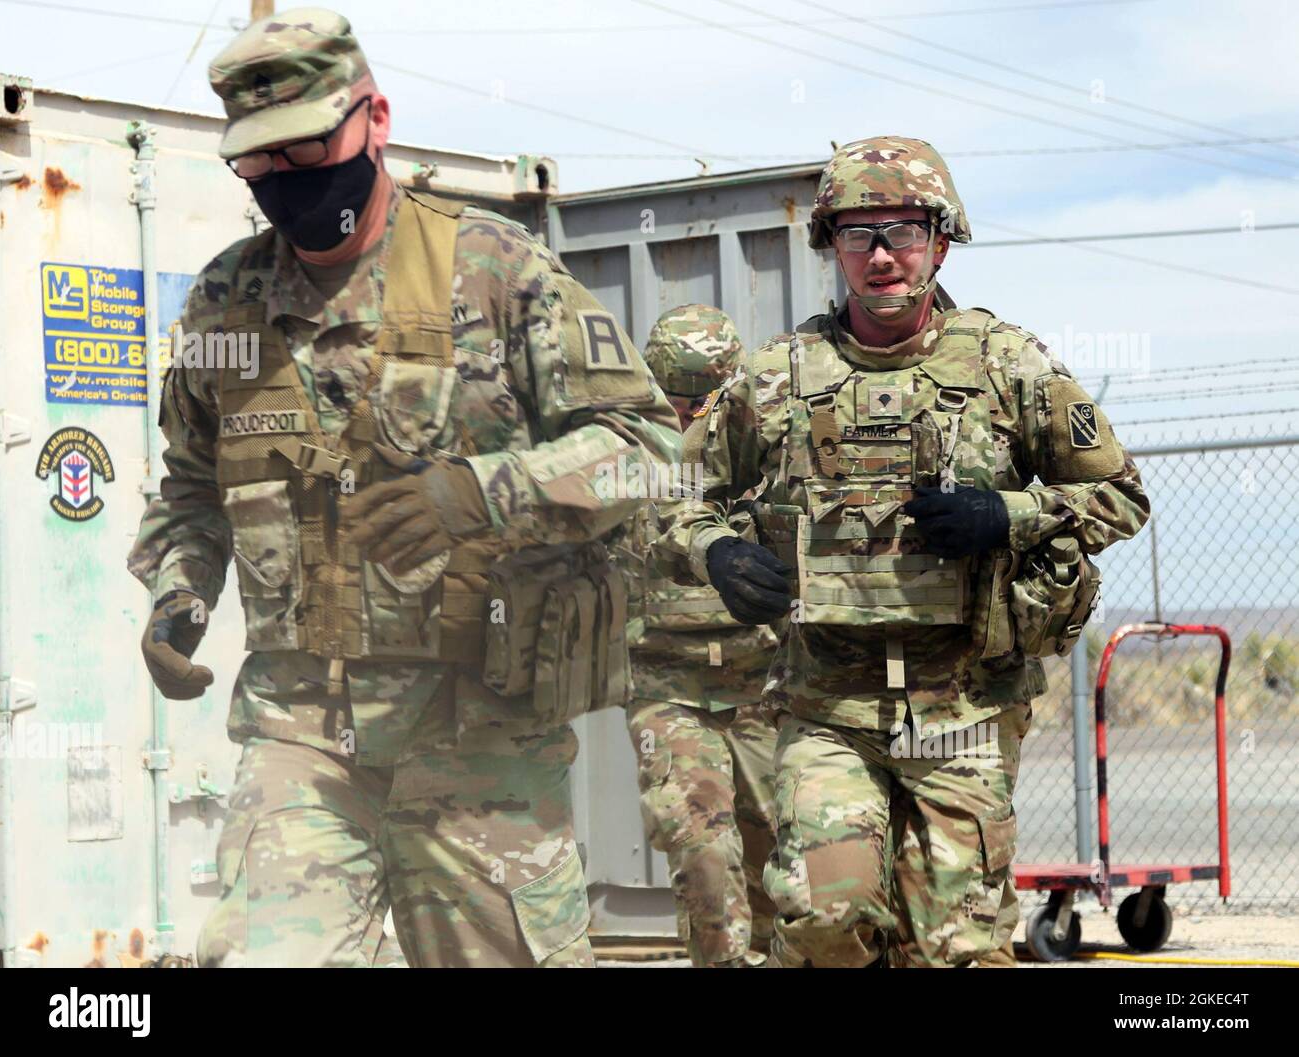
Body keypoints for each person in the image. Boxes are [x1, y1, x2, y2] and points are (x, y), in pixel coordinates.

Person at [128, 7, 680, 967]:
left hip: (477, 735)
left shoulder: (494, 270)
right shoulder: (223, 302)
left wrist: (482, 491)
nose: (286, 183)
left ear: (375, 117)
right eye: (257, 165)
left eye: (307, 149)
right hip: (298, 737)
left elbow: (651, 452)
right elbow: (189, 484)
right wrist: (179, 591)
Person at [661, 137, 1149, 967]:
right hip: (828, 708)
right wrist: (714, 553)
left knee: (955, 948)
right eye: (859, 235)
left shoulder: (1007, 364)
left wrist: (1009, 512)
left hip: (963, 705)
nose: (882, 256)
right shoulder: (778, 375)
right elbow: (678, 496)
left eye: (903, 232)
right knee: (821, 919)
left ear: (942, 238)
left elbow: (1121, 496)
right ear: (831, 246)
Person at [623, 305, 780, 967]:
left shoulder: (764, 450)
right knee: (707, 862)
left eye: (705, 400)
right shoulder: (622, 455)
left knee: (785, 869)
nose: (689, 415)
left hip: (762, 688)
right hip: (670, 688)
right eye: (675, 399)